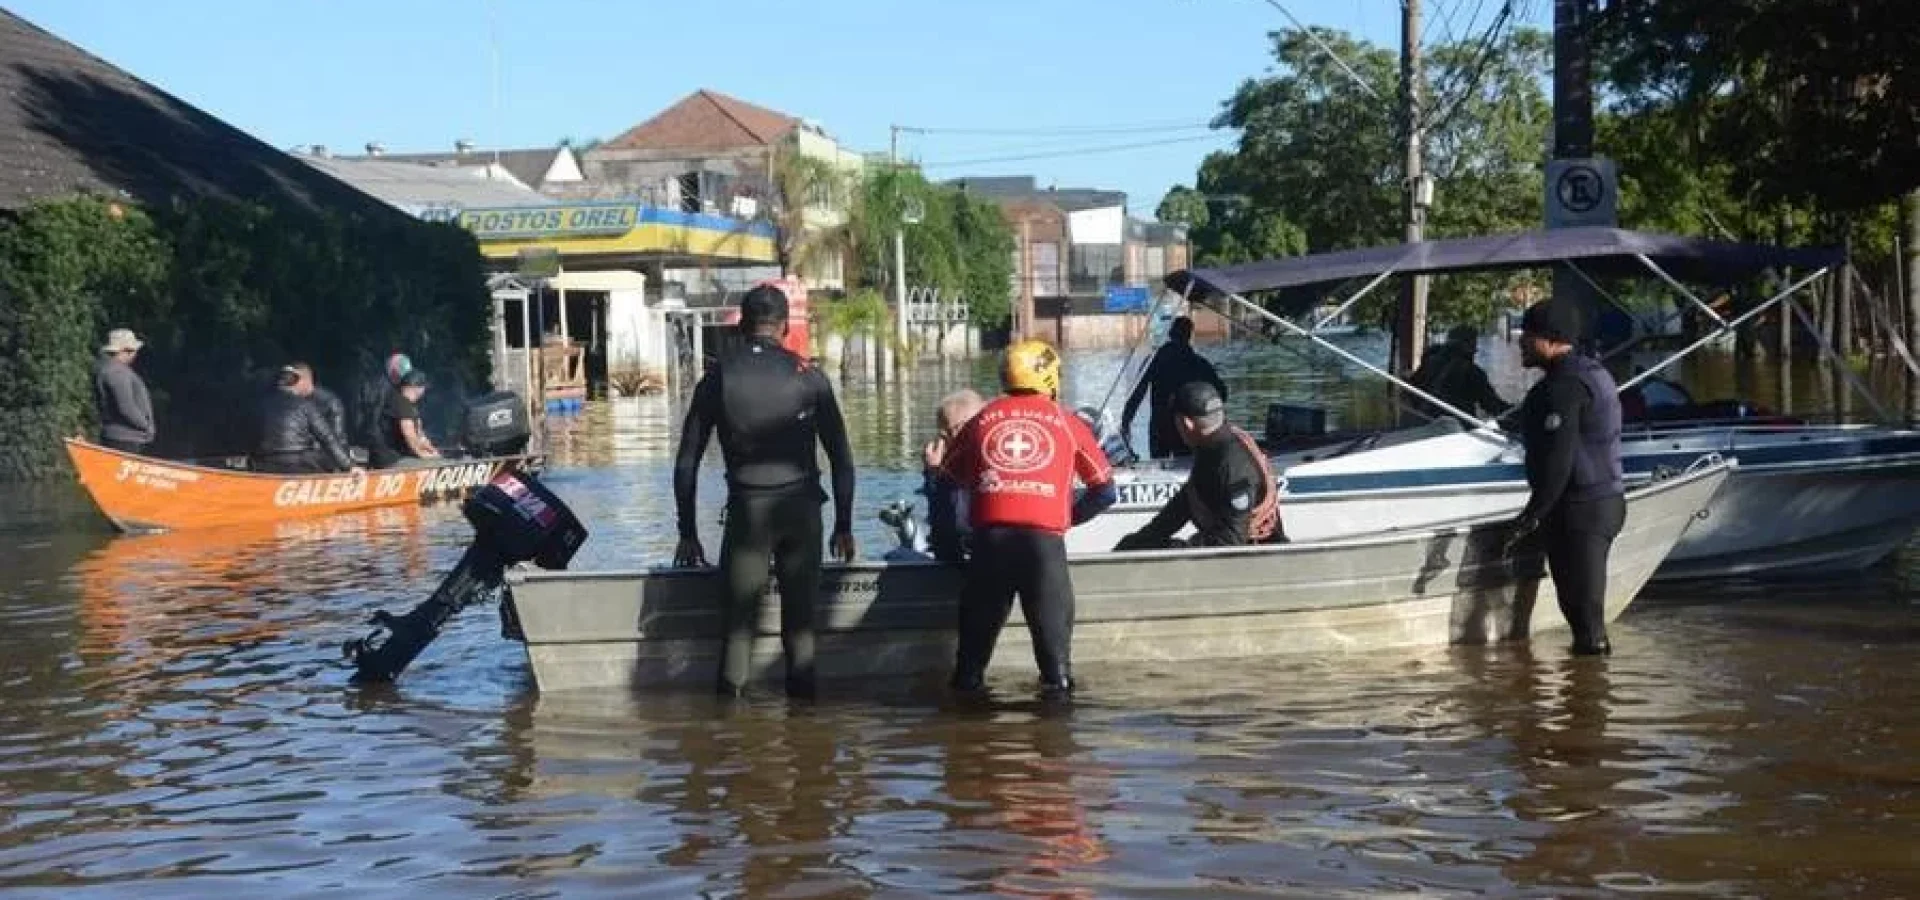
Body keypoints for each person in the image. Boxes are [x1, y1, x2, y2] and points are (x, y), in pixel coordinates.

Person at [672, 284, 857, 699]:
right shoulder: (810, 377)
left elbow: (687, 462)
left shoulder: (717, 379)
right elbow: (842, 459)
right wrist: (843, 525)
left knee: (738, 630)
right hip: (802, 512)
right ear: (785, 326)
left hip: (747, 515)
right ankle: (807, 738)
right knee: (802, 627)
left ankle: (727, 742)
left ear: (741, 324)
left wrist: (687, 532)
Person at [939, 339, 1118, 694]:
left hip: (989, 548)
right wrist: (1065, 515)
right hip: (1043, 551)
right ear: (1051, 378)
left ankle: (965, 742)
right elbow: (1105, 491)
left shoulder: (981, 419)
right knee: (1057, 676)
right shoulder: (1067, 422)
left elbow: (948, 482)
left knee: (968, 673)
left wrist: (952, 543)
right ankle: (1056, 744)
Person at [1508, 299, 1625, 657]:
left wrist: (1532, 514)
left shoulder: (1566, 386)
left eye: (1528, 336)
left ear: (1553, 339)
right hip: (1595, 504)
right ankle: (1582, 698)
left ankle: (1590, 704)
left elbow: (1559, 459)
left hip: (1582, 510)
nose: (1521, 343)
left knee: (1587, 623)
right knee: (1579, 614)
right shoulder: (1590, 372)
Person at [1113, 381, 1284, 551]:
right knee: (1135, 543)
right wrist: (1139, 542)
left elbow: (1232, 539)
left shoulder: (1233, 466)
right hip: (1227, 552)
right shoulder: (1211, 449)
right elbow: (1181, 508)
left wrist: (1179, 548)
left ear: (1186, 423)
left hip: (1256, 558)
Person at [1121, 316, 1228, 459]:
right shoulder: (1197, 362)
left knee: (1158, 465)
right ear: (1189, 335)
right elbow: (1222, 393)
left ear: (1170, 333)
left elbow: (1138, 393)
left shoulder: (1154, 360)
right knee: (1186, 465)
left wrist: (1126, 421)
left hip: (1159, 424)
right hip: (1186, 427)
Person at [254, 365, 358, 474]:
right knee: (335, 453)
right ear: (298, 383)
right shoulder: (306, 406)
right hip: (299, 462)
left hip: (264, 461)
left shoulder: (261, 405)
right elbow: (327, 438)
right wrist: (349, 466)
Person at [921, 389, 986, 564]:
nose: (941, 441)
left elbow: (948, 529)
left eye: (945, 434)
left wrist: (934, 475)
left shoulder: (959, 474)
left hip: (975, 557)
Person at [1406, 325, 1511, 422]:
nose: (1476, 351)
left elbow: (1411, 391)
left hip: (1425, 422)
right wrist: (1517, 411)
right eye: (1475, 346)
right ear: (1470, 346)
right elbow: (1493, 405)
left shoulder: (1428, 363)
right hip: (1457, 429)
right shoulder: (1472, 372)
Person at [92, 328, 155, 455]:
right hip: (125, 439)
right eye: (133, 351)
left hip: (122, 437)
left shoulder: (109, 369)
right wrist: (146, 426)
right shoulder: (117, 372)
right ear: (125, 350)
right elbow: (126, 408)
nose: (135, 354)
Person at [368, 369, 440, 468]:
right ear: (418, 388)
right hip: (390, 457)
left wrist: (431, 449)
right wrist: (422, 454)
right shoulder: (401, 403)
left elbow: (419, 434)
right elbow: (409, 434)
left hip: (395, 455)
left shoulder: (407, 403)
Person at [290, 362, 349, 451]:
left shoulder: (329, 402)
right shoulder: (290, 400)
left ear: (305, 380)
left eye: (293, 380)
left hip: (325, 455)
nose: (289, 385)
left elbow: (337, 438)